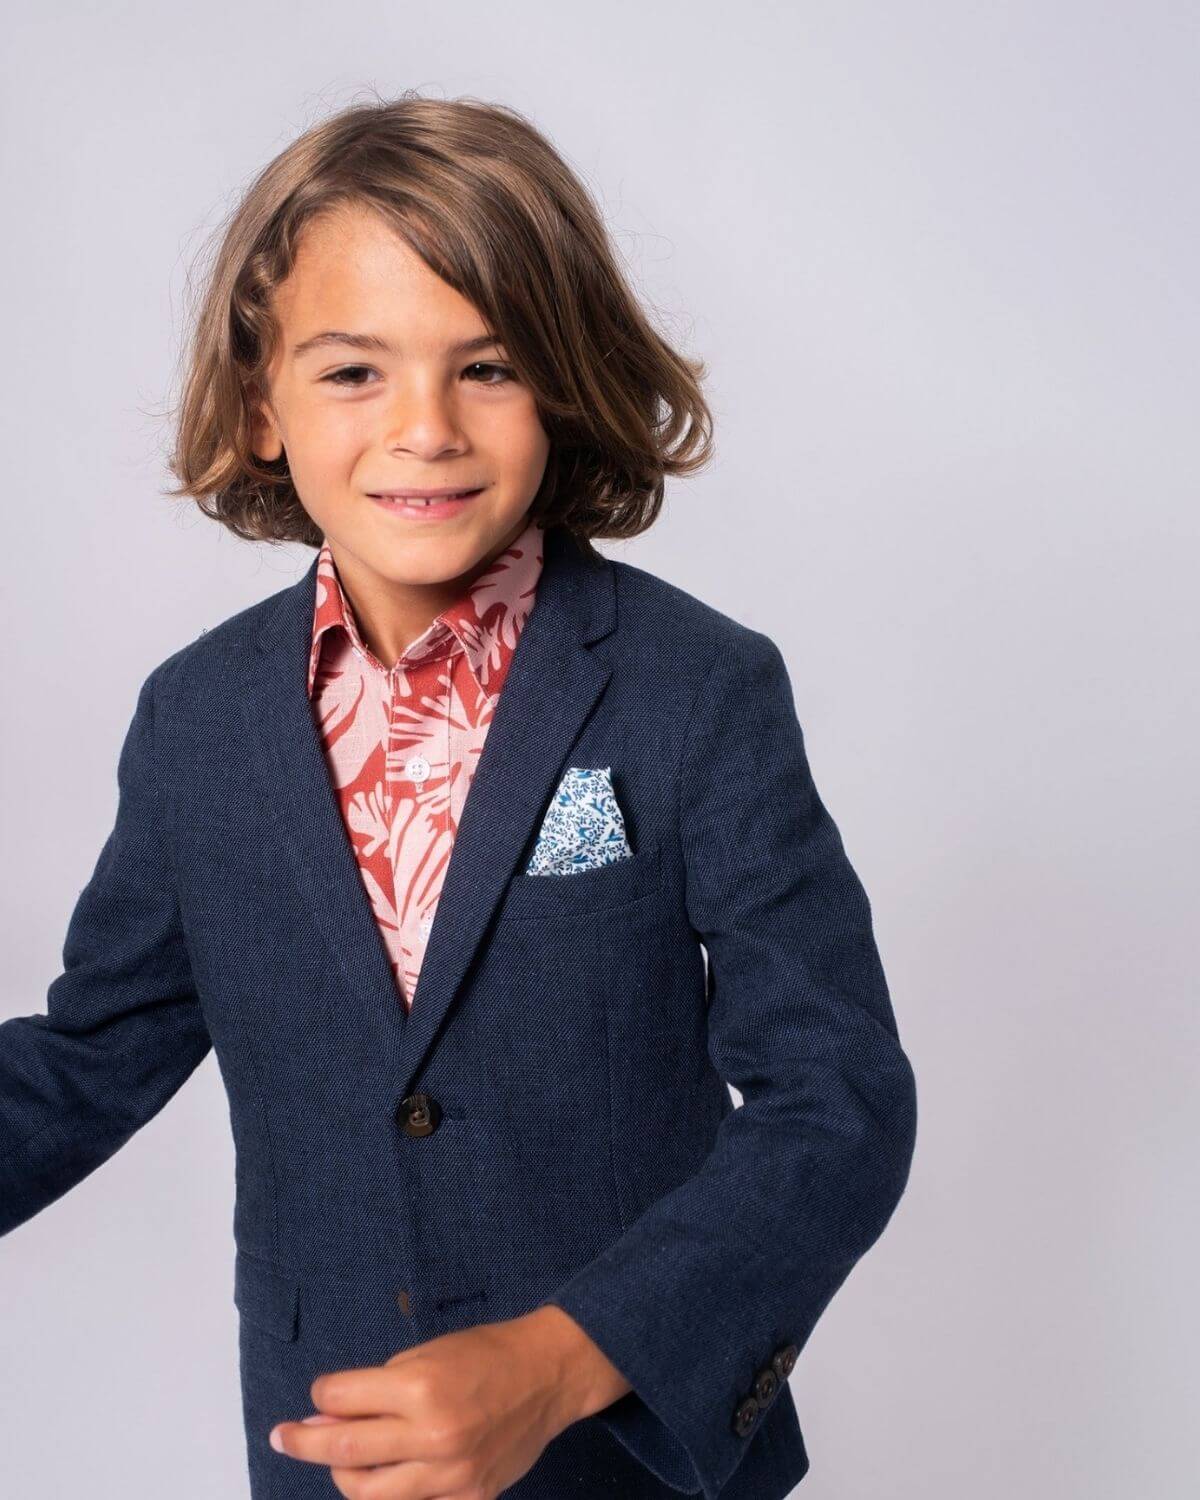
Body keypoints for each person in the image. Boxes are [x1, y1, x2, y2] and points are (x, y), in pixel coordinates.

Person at [0, 93, 918, 1500]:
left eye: (486, 366)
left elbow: (837, 1099)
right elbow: (89, 1054)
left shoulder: (697, 689)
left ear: (564, 385)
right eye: (354, 371)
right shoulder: (196, 721)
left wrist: (561, 1361)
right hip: (330, 1454)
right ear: (259, 406)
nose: (423, 428)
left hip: (628, 1465)